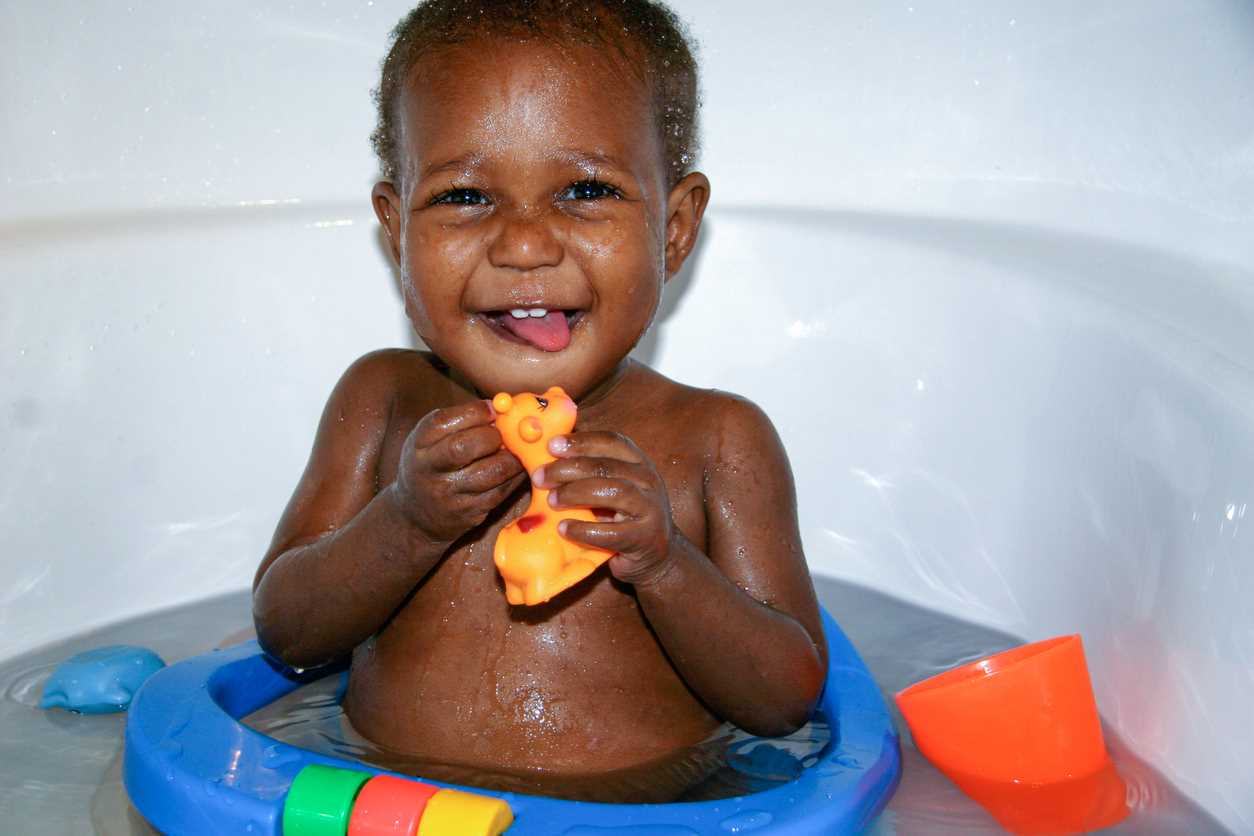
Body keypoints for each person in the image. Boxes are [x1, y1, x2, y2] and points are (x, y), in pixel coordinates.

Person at [252, 0, 826, 802]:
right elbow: (288, 633)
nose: (524, 244)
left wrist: (665, 564)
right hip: (389, 805)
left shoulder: (716, 439)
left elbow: (784, 695)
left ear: (674, 227)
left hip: (644, 814)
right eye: (463, 197)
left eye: (586, 189)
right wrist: (406, 521)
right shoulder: (382, 401)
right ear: (395, 231)